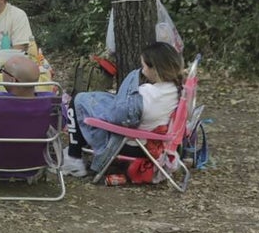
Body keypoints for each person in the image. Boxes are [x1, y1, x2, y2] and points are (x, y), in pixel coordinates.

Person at [62, 41, 185, 178]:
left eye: (143, 66)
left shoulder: (148, 93)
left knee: (78, 101)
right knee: (97, 101)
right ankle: (76, 154)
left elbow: (118, 118)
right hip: (157, 143)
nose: (142, 71)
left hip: (133, 145)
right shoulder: (175, 89)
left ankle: (73, 158)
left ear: (154, 69)